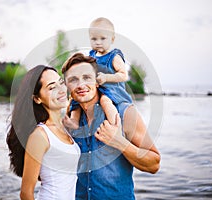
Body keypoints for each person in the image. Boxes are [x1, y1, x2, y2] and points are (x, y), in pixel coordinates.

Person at [62, 53, 160, 199]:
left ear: (97, 81)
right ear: (67, 86)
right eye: (73, 80)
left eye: (87, 77)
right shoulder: (69, 121)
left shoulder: (124, 113)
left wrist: (119, 141)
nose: (81, 85)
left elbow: (154, 164)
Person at [6, 65, 80, 200]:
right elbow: (26, 193)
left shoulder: (64, 128)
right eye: (52, 87)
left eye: (61, 83)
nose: (61, 90)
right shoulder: (40, 135)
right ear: (37, 99)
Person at [65, 17, 132, 130]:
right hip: (98, 89)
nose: (98, 42)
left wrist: (106, 77)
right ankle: (74, 121)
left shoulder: (114, 57)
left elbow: (124, 75)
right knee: (75, 102)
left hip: (112, 90)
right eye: (94, 39)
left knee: (104, 101)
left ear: (112, 39)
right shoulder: (92, 55)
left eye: (102, 38)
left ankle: (115, 125)